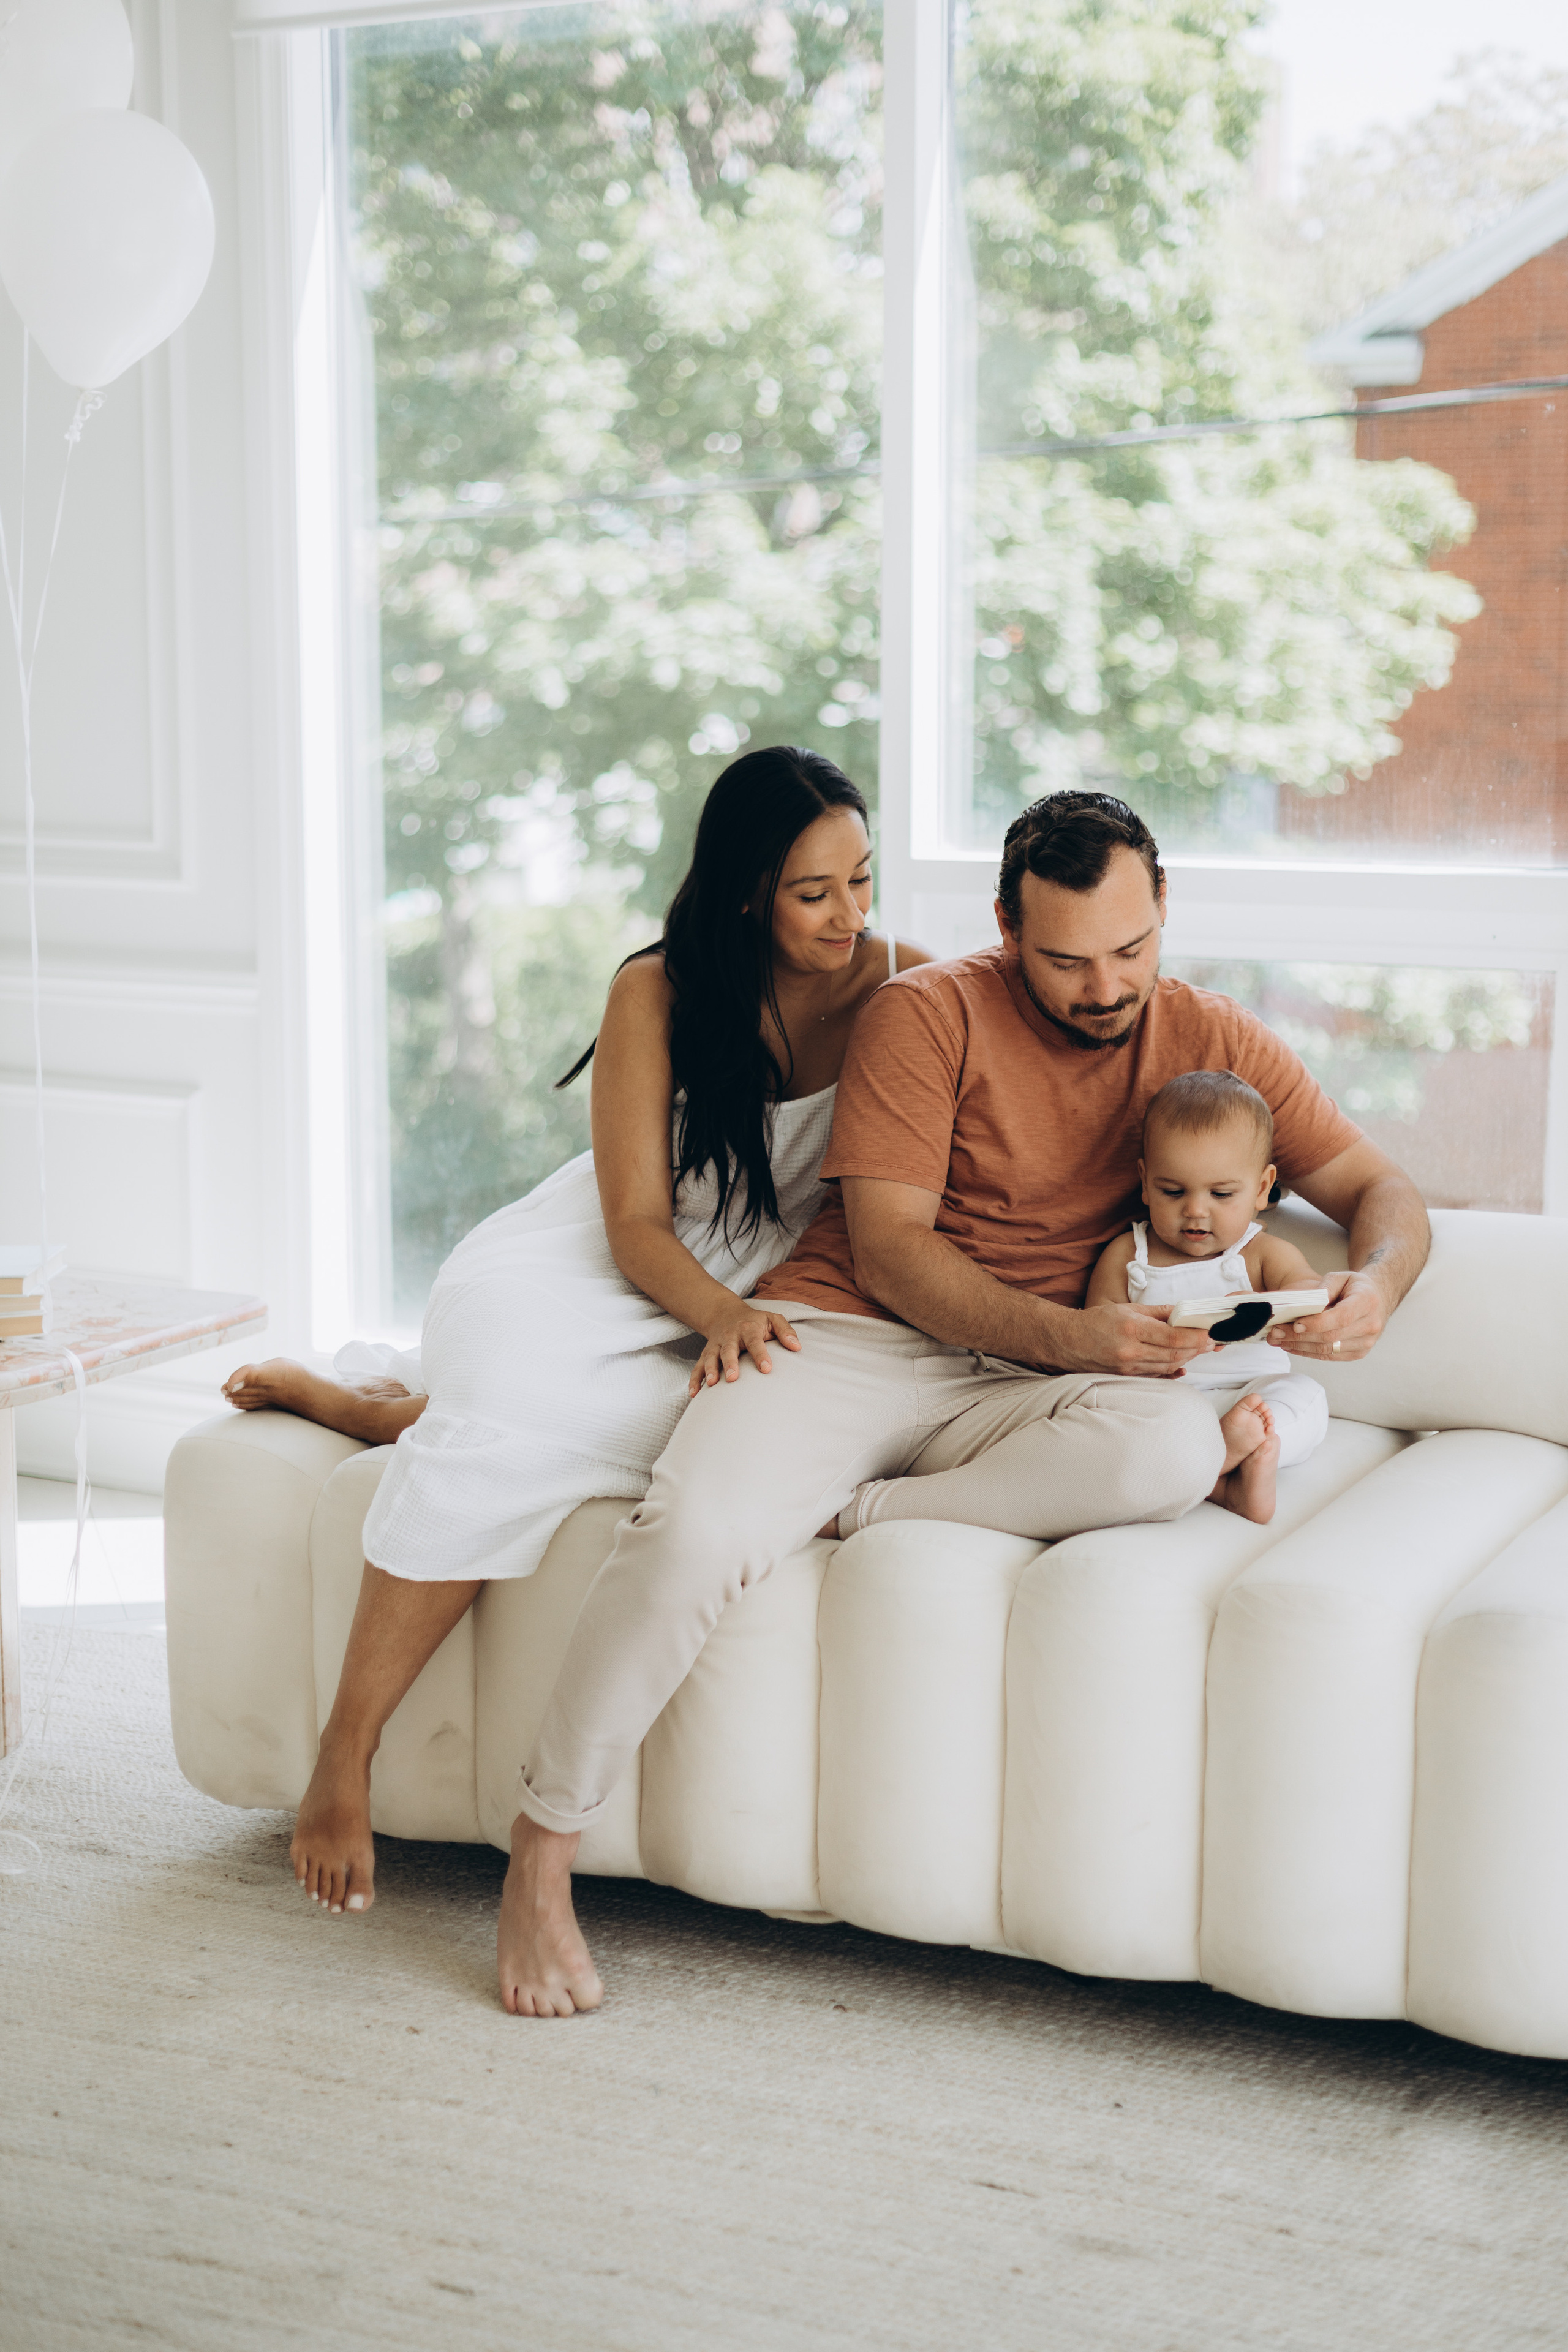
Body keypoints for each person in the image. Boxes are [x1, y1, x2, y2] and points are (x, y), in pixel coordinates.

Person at [496, 789, 1431, 2017]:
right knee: (691, 1536)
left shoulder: (1211, 1036)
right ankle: (539, 1856)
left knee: (1163, 1454)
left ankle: (862, 1510)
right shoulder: (923, 1013)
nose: (1105, 987)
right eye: (1064, 960)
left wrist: (1374, 1283)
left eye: (1130, 950)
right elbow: (887, 1250)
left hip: (1039, 1387)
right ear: (1002, 926)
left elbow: (1377, 1186)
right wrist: (1078, 1335)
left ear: (1163, 915)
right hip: (854, 1335)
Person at [221, 746, 932, 1936]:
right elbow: (634, 1225)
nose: (848, 916)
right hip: (603, 1270)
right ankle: (344, 1753)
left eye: (862, 882)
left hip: (763, 1286)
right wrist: (719, 1316)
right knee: (507, 1418)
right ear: (749, 889)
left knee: (699, 1442)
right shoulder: (653, 990)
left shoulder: (894, 984)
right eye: (816, 892)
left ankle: (390, 1410)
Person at [1086, 1069, 1332, 1524]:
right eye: (1172, 1191)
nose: (1196, 1210)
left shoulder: (1260, 1254)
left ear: (1261, 1188)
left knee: (1307, 1398)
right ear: (1145, 1181)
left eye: (1221, 1193)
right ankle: (1223, 1474)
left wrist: (1265, 1303)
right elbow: (1097, 1324)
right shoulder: (1129, 1253)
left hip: (1252, 1394)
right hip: (1166, 1402)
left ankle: (1236, 1459)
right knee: (1106, 1422)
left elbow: (1310, 1291)